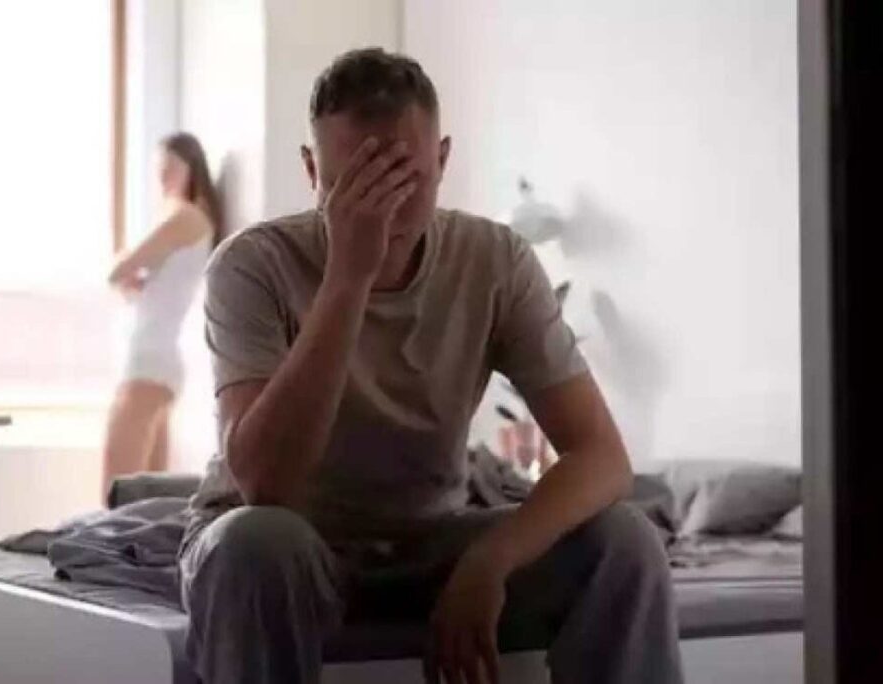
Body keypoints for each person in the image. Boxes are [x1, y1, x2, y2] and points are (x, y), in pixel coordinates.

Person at [179, 49, 683, 684]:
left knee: (625, 542)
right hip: (291, 542)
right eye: (356, 183)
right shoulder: (251, 266)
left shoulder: (495, 260)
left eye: (406, 179)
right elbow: (265, 485)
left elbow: (602, 458)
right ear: (311, 170)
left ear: (442, 161)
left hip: (432, 538)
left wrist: (489, 563)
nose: (384, 208)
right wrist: (349, 278)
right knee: (254, 545)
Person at [103, 132, 218, 496]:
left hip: (148, 361)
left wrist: (128, 273)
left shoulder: (183, 216)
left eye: (170, 168)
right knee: (148, 499)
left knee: (116, 490)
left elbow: (117, 271)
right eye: (159, 170)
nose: (163, 177)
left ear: (191, 169)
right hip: (159, 362)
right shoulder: (193, 222)